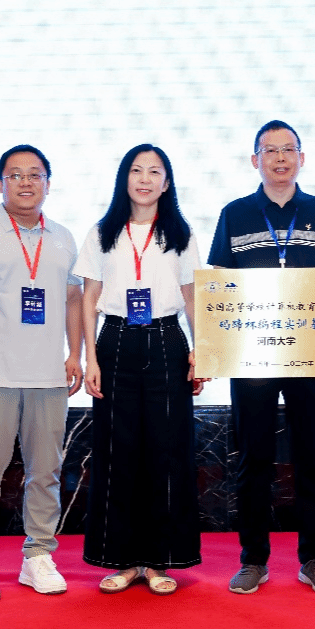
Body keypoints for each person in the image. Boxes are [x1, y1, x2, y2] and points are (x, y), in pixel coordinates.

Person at [207, 120, 315, 595]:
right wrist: (212, 351)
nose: (280, 158)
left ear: (302, 158)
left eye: (289, 149)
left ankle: (314, 558)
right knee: (253, 458)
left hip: (311, 352)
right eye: (270, 150)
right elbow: (219, 285)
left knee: (311, 457)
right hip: (252, 355)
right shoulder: (235, 214)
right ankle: (254, 559)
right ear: (256, 160)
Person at [0, 144, 84, 603]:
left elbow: (73, 299)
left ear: (48, 182)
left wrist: (76, 354)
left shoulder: (63, 237)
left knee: (46, 472)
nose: (26, 182)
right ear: (0, 183)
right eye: (15, 174)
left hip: (49, 376)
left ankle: (37, 556)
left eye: (35, 174)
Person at [75, 144, 203, 595]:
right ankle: (122, 560)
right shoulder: (102, 232)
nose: (145, 179)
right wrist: (91, 358)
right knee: (118, 452)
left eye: (154, 172)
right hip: (115, 341)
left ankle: (160, 560)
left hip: (168, 341)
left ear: (166, 183)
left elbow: (191, 296)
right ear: (124, 179)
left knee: (167, 451)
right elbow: (89, 297)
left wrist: (201, 350)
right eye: (136, 170)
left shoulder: (180, 233)